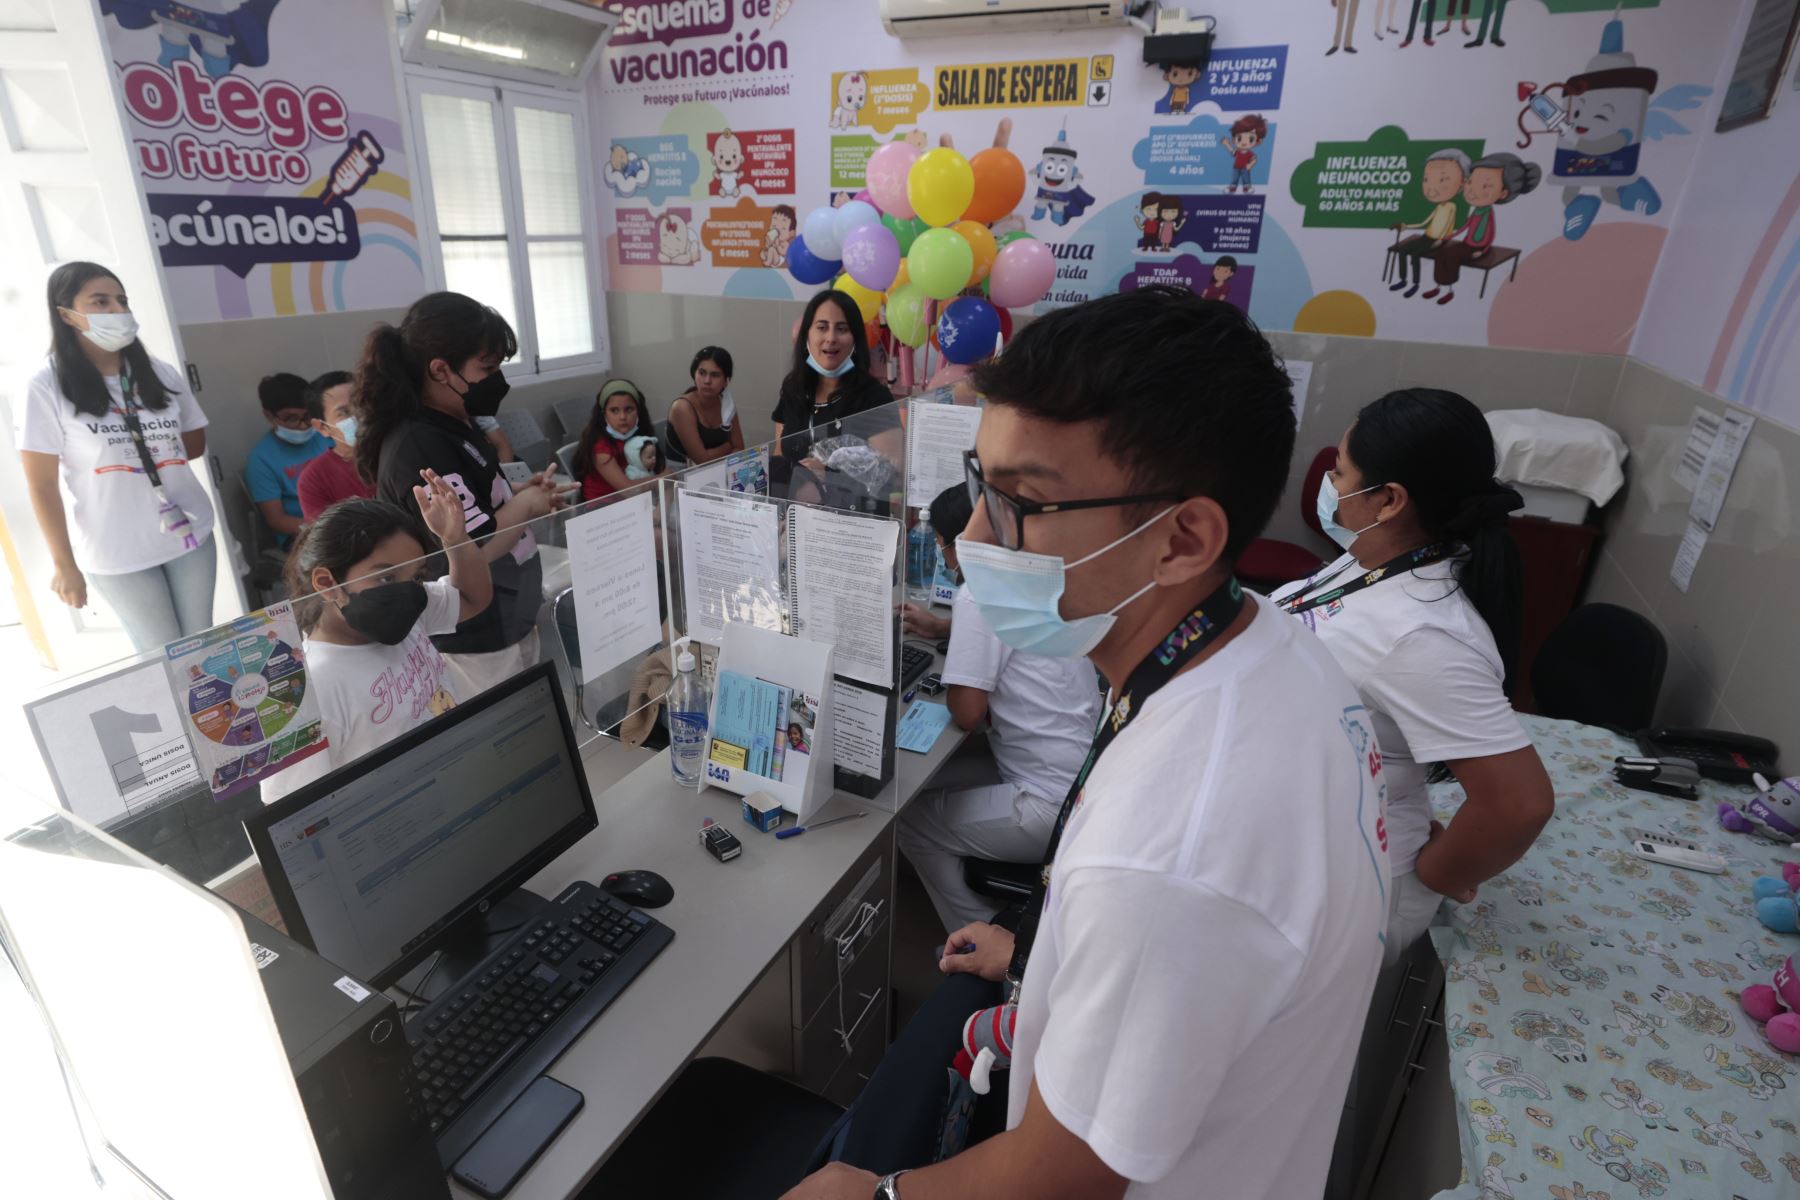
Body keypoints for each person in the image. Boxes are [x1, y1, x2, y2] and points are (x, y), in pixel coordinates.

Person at [786, 286, 1389, 1200]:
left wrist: (877, 1196)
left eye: (1022, 500)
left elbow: (1063, 1175)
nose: (980, 535)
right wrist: (1045, 959)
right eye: (981, 485)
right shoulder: (1262, 648)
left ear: (1182, 538)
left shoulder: (1170, 850)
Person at [1271, 389, 1554, 959]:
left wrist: (1435, 875)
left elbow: (1517, 804)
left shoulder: (1422, 637)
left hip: (1353, 886)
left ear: (1389, 500)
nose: (1329, 481)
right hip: (1298, 839)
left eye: (1341, 472)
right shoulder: (1378, 556)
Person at [897, 482, 1103, 933]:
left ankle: (978, 937)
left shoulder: (979, 594)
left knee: (910, 820)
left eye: (941, 546)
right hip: (1083, 779)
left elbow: (967, 713)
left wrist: (958, 662)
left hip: (1048, 802)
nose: (943, 557)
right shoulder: (1035, 573)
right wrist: (946, 628)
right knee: (921, 785)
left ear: (961, 542)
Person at [354, 291, 561, 699]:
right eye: (487, 367)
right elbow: (473, 545)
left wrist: (515, 492)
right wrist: (525, 506)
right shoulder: (420, 443)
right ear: (441, 370)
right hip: (475, 634)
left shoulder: (454, 421)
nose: (497, 379)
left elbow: (473, 498)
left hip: (509, 614)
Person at [19, 261, 217, 651]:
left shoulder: (160, 373)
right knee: (159, 653)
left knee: (202, 647)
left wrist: (151, 442)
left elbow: (194, 445)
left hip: (188, 531)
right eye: (100, 301)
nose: (117, 310)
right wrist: (64, 564)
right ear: (66, 314)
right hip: (116, 548)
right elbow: (40, 484)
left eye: (121, 300)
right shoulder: (47, 386)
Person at [260, 476, 492, 805]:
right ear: (327, 582)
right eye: (385, 576)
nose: (407, 590)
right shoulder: (308, 693)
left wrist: (455, 538)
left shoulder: (409, 613)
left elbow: (472, 598)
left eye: (415, 576)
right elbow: (294, 811)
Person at [771, 290, 901, 508]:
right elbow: (780, 455)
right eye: (822, 327)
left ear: (855, 339)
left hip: (853, 525)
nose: (831, 338)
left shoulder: (874, 397)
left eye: (842, 329)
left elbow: (891, 476)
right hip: (799, 522)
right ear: (807, 336)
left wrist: (829, 474)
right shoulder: (793, 388)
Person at [1427, 153, 1540, 305]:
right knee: (1442, 253)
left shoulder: (1488, 214)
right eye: (1471, 182)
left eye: (1486, 186)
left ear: (1503, 193)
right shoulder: (1476, 211)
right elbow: (1465, 227)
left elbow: (1491, 235)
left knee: (1452, 257)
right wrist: (1446, 239)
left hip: (1477, 247)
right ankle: (1438, 286)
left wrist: (1483, 250)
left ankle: (1450, 290)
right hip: (1467, 243)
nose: (1472, 190)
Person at [245, 371, 330, 545]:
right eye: (291, 418)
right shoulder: (261, 460)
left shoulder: (324, 435)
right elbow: (277, 520)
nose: (302, 425)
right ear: (269, 415)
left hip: (344, 514)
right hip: (302, 533)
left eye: (307, 416)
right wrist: (323, 529)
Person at [1389, 148, 1467, 299]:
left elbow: (1448, 225)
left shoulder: (1452, 206)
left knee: (1416, 255)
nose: (1432, 187)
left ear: (1462, 184)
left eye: (1443, 180)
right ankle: (1403, 279)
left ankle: (1415, 284)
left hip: (1439, 240)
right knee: (1403, 250)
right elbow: (1425, 222)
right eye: (1426, 180)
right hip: (1427, 236)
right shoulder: (1438, 206)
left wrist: (1441, 240)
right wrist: (1406, 226)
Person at [297, 370, 373, 521]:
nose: (358, 414)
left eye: (361, 403)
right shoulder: (314, 480)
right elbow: (329, 540)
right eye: (344, 412)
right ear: (322, 427)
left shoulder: (400, 448)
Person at [574, 378, 653, 502]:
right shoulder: (600, 446)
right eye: (614, 411)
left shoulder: (642, 438)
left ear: (638, 412)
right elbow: (629, 490)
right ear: (604, 414)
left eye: (629, 410)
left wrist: (659, 512)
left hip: (634, 503)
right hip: (602, 511)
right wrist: (664, 478)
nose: (622, 417)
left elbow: (663, 473)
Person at [665, 346, 745, 466]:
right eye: (702, 373)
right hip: (680, 478)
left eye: (715, 375)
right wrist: (728, 446)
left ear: (726, 380)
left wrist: (721, 452)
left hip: (716, 473)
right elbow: (702, 460)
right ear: (694, 374)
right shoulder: (682, 407)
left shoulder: (726, 403)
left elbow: (740, 449)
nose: (707, 381)